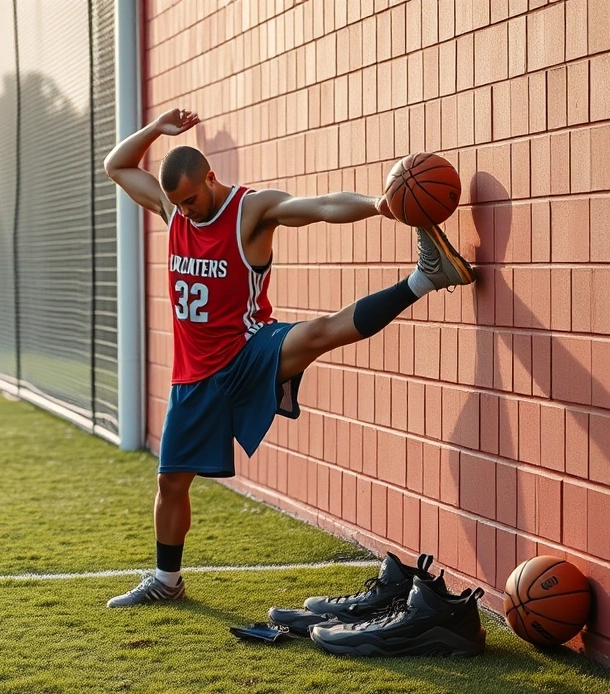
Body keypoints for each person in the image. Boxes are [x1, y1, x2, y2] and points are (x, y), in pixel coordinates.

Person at [102, 108, 474, 607]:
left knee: (320, 333)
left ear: (210, 177)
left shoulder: (250, 211)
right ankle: (167, 582)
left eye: (191, 199)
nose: (185, 211)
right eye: (177, 204)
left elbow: (318, 206)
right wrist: (157, 130)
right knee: (171, 483)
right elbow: (117, 166)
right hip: (194, 374)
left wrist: (379, 206)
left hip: (249, 347)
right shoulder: (173, 211)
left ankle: (426, 277)